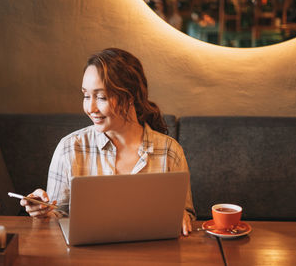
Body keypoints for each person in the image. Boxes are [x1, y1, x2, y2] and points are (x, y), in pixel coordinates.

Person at [20, 48, 196, 235]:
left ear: (130, 97)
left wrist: (182, 215)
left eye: (101, 97)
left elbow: (188, 214)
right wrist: (41, 211)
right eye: (86, 96)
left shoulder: (170, 152)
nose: (90, 108)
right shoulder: (70, 148)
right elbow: (56, 216)